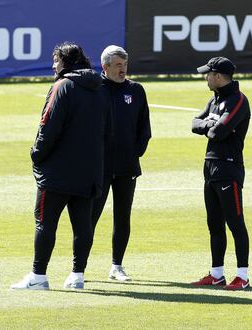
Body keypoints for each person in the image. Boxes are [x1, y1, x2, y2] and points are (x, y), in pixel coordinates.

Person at [10, 42, 107, 290]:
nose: (53, 66)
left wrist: (36, 154)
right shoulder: (100, 88)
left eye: (56, 61)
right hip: (90, 170)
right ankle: (77, 276)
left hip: (58, 173)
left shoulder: (62, 86)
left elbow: (48, 126)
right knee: (82, 225)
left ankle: (38, 276)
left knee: (45, 222)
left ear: (66, 62)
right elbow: (109, 131)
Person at [91, 45, 151, 281]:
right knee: (90, 217)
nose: (122, 70)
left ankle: (117, 266)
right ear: (105, 67)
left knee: (122, 216)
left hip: (127, 167)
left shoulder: (136, 90)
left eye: (124, 65)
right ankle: (79, 267)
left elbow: (144, 128)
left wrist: (135, 152)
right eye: (118, 65)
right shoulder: (94, 89)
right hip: (99, 167)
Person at [191, 57, 251, 290]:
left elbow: (219, 132)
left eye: (207, 74)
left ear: (217, 76)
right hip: (211, 167)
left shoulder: (238, 100)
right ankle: (217, 274)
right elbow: (194, 124)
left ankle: (243, 276)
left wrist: (209, 125)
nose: (205, 77)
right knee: (214, 223)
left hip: (229, 168)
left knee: (235, 223)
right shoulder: (214, 100)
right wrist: (210, 125)